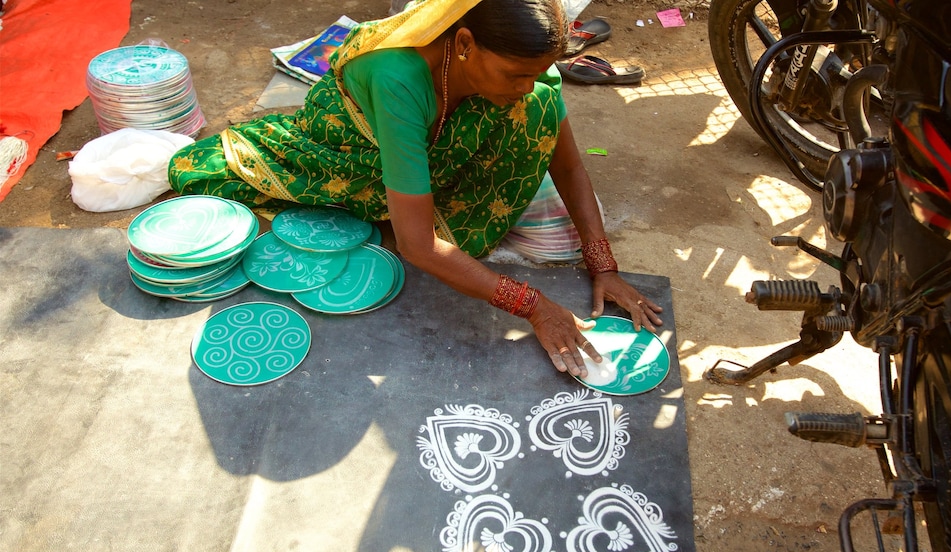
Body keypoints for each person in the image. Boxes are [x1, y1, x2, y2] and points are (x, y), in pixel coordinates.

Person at [168, 0, 664, 378]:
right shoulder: (398, 78)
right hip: (356, 150)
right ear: (465, 44)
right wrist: (533, 305)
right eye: (516, 74)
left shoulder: (524, 73)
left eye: (537, 72)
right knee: (211, 176)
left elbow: (570, 166)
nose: (526, 84)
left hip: (433, 139)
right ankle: (380, 206)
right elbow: (418, 245)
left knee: (538, 128)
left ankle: (415, 200)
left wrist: (603, 264)